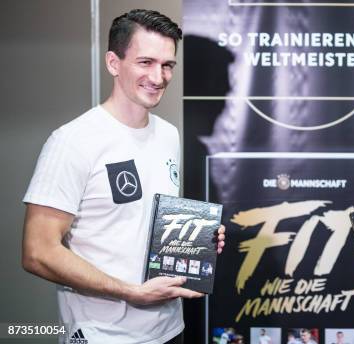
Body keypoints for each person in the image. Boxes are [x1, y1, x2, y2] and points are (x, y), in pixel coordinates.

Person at [21, 9, 225, 344]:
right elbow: (38, 251)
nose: (158, 77)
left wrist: (197, 239)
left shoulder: (168, 134)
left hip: (170, 330)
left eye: (167, 65)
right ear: (114, 63)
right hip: (104, 335)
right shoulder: (72, 141)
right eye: (145, 62)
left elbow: (143, 222)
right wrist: (131, 292)